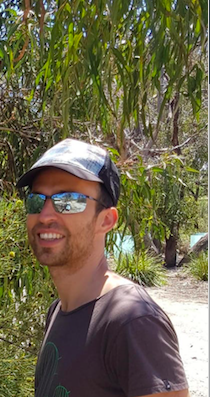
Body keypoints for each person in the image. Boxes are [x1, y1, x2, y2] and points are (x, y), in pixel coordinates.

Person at [16, 138, 189, 397]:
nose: (45, 215)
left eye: (69, 201)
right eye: (36, 200)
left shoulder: (133, 321)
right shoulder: (58, 311)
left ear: (106, 220)